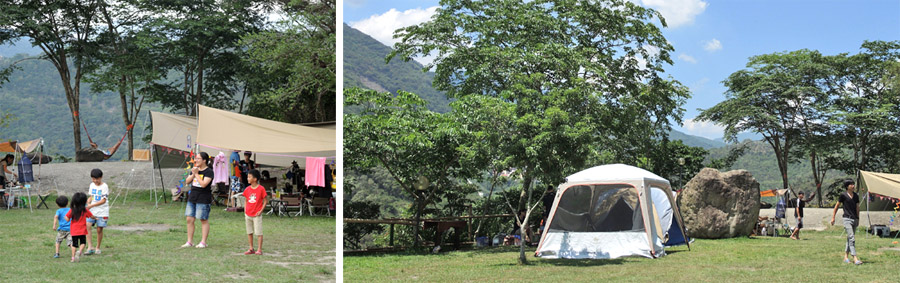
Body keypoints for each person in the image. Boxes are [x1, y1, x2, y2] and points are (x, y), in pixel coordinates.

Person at [182, 152, 214, 248]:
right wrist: (193, 174)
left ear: (204, 160)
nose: (196, 160)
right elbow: (187, 181)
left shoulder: (209, 172)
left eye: (198, 158)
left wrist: (196, 174)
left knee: (203, 219)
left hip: (203, 198)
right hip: (193, 197)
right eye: (196, 158)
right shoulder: (195, 170)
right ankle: (189, 241)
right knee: (189, 219)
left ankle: (203, 242)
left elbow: (204, 184)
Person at [830, 179, 862, 265]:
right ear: (847, 186)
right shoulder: (843, 195)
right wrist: (833, 217)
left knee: (849, 239)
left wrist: (858, 218)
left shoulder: (856, 196)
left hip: (854, 219)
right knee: (852, 238)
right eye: (851, 184)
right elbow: (836, 206)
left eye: (853, 184)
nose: (853, 186)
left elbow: (857, 207)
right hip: (847, 219)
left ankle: (845, 257)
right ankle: (855, 258)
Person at [65, 192, 96, 262]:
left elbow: (67, 218)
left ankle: (72, 258)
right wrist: (95, 218)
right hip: (82, 230)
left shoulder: (72, 210)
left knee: (74, 244)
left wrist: (65, 218)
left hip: (74, 230)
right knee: (83, 243)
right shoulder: (85, 210)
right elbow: (91, 216)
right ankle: (79, 252)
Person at [84, 169, 109, 255]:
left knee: (99, 229)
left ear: (101, 178)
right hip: (92, 210)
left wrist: (91, 205)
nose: (95, 181)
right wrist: (88, 201)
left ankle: (98, 247)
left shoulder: (104, 186)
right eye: (93, 179)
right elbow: (92, 196)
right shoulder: (92, 185)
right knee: (88, 225)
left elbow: (103, 200)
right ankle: (90, 247)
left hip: (102, 211)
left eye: (96, 179)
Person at [242, 169, 267, 255]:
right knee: (249, 231)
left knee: (258, 232)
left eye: (249, 177)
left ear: (255, 179)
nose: (247, 178)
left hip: (257, 214)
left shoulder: (261, 189)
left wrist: (260, 211)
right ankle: (251, 248)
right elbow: (246, 200)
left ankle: (259, 249)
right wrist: (245, 210)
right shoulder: (247, 189)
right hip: (248, 214)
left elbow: (265, 201)